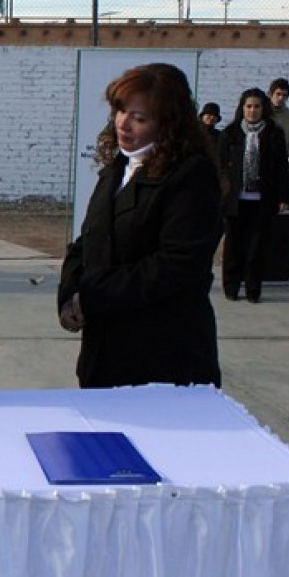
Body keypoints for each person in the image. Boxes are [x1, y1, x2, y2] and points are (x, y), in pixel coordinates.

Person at [58, 63, 223, 388]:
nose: (123, 124)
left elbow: (176, 266)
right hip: (105, 352)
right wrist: (69, 295)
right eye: (120, 111)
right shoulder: (117, 169)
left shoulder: (191, 176)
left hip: (163, 358)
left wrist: (92, 297)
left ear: (168, 124)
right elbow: (88, 241)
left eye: (139, 118)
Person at [218, 88, 289, 303]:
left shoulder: (274, 134)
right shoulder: (230, 133)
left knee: (256, 247)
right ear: (242, 108)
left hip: (262, 199)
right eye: (248, 106)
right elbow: (220, 167)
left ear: (263, 109)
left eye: (257, 106)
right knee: (233, 245)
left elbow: (281, 169)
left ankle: (253, 288)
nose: (252, 111)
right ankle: (231, 286)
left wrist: (283, 197)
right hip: (234, 200)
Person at [269, 77, 289, 158]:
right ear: (270, 94)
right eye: (278, 94)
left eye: (284, 95)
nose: (281, 98)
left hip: (281, 161)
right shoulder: (260, 112)